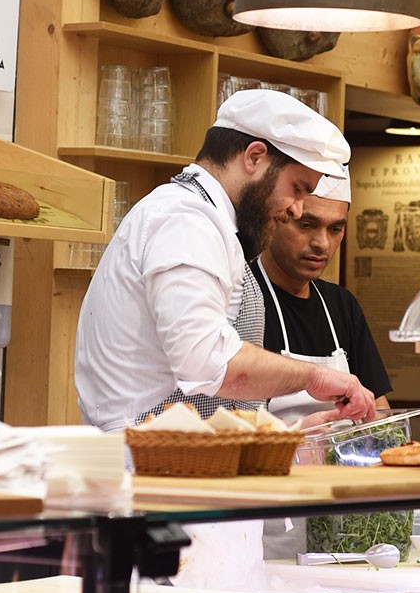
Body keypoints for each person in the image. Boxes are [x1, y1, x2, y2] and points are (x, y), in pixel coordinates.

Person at [74, 88, 378, 431]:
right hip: (143, 464)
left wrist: (290, 434)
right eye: (296, 188)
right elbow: (205, 363)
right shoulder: (186, 221)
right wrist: (313, 377)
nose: (294, 208)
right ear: (254, 157)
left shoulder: (206, 219)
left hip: (177, 458)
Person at [254, 168, 392, 424]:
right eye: (307, 225)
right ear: (274, 218)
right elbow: (228, 417)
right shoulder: (243, 296)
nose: (322, 243)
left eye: (335, 229)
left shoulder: (341, 304)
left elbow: (378, 408)